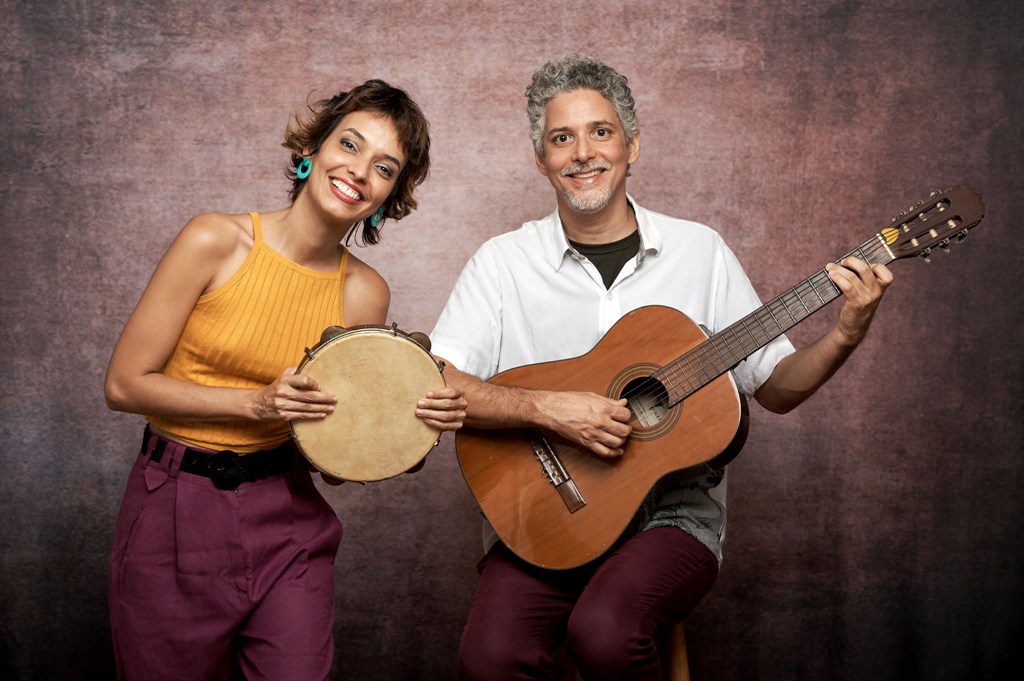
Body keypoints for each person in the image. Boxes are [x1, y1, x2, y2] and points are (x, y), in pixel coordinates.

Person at [426, 54, 892, 681]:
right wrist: (549, 408)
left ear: (632, 144)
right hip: (544, 516)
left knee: (606, 632)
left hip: (674, 519)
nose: (582, 152)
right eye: (561, 138)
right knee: (488, 657)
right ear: (541, 159)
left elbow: (775, 388)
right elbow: (440, 379)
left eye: (601, 131)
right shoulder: (501, 263)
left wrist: (847, 330)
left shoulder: (699, 251)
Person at [104, 79, 467, 681]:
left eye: (384, 168)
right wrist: (257, 404)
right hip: (176, 508)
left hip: (288, 515)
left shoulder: (365, 291)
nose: (358, 172)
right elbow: (123, 385)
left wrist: (406, 436)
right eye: (348, 145)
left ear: (388, 196)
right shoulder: (214, 240)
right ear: (314, 148)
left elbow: (330, 451)